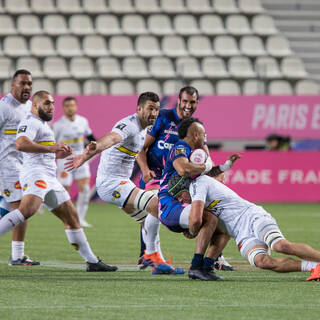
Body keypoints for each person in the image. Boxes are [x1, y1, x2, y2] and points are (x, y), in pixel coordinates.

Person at [65, 92, 184, 275]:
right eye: (150, 109)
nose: (154, 113)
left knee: (146, 220)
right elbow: (112, 138)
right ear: (139, 109)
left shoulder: (146, 127)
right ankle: (154, 257)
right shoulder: (129, 124)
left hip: (121, 182)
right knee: (155, 205)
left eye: (156, 109)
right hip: (112, 184)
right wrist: (94, 148)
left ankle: (152, 257)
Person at [0, 90, 117, 272]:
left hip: (50, 177)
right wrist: (52, 148)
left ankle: (92, 261)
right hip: (35, 174)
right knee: (27, 210)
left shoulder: (44, 125)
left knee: (71, 217)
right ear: (35, 105)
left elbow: (43, 149)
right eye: (47, 103)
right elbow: (21, 143)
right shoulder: (29, 122)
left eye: (53, 103)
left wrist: (57, 152)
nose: (51, 107)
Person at [169, 157, 320, 281]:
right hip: (240, 234)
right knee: (262, 262)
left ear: (184, 187)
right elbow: (211, 225)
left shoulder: (198, 185)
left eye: (180, 196)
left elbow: (195, 220)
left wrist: (192, 229)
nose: (181, 201)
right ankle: (313, 267)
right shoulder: (197, 193)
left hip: (252, 217)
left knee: (281, 246)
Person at [137, 86, 232, 271]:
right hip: (157, 174)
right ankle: (150, 254)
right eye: (185, 101)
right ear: (178, 101)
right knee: (157, 204)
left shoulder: (195, 126)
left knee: (210, 208)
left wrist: (217, 171)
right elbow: (141, 148)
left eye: (192, 102)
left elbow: (206, 157)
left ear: (197, 103)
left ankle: (216, 257)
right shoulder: (163, 117)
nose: (188, 105)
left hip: (182, 179)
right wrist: (145, 169)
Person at [158, 117, 239, 280]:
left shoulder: (195, 153)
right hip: (169, 204)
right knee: (210, 217)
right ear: (195, 135)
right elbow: (183, 169)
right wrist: (205, 166)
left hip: (184, 206)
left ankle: (207, 266)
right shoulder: (180, 147)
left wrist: (225, 166)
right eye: (204, 134)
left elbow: (205, 172)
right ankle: (196, 267)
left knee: (226, 227)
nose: (205, 137)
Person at [0, 69, 39, 266]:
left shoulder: (31, 107)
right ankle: (17, 255)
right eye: (22, 83)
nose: (26, 87)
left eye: (29, 84)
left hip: (25, 167)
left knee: (8, 213)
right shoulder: (4, 107)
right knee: (22, 209)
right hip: (7, 168)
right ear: (12, 85)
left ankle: (17, 255)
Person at [53, 97, 96, 228]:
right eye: (67, 106)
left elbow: (90, 137)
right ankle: (67, 218)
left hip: (81, 159)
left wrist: (93, 147)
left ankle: (80, 218)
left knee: (85, 189)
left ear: (76, 107)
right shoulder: (58, 125)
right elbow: (52, 144)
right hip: (65, 160)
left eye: (72, 105)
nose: (70, 108)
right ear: (63, 108)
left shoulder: (83, 121)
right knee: (64, 191)